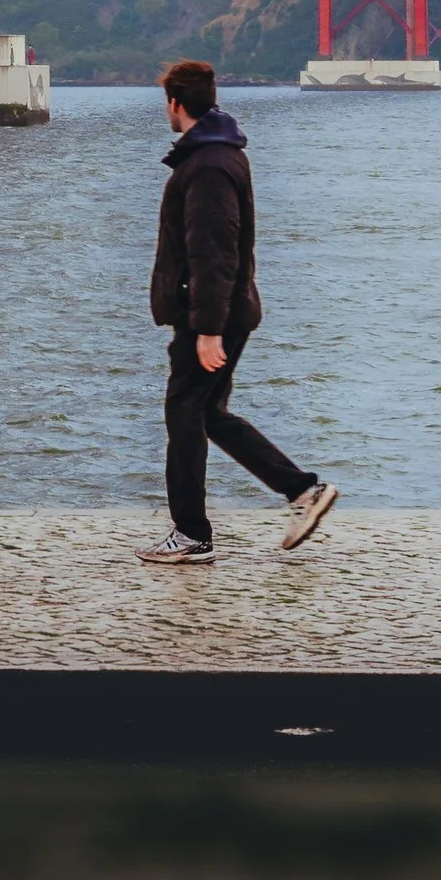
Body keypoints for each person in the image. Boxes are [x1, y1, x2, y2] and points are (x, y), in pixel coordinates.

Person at [140, 57, 339, 565]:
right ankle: (302, 491)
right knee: (207, 413)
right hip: (224, 309)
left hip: (211, 314)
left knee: (185, 414)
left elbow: (214, 252)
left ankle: (191, 534)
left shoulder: (207, 165)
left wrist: (208, 330)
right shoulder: (219, 154)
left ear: (175, 105)